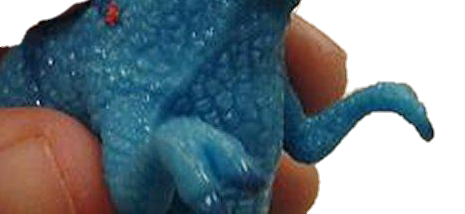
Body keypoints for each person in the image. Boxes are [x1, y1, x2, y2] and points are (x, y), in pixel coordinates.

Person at [0, 15, 347, 213]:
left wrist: (369, 101)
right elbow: (135, 194)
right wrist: (168, 145)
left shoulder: (262, 56)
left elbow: (307, 141)